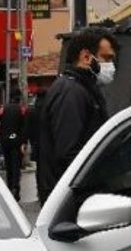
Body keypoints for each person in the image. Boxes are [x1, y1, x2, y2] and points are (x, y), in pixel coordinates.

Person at [37, 27, 116, 195]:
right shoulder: (71, 92)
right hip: (71, 198)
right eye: (107, 58)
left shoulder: (82, 89)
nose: (111, 66)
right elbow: (68, 152)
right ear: (86, 57)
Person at [0, 95, 28, 200]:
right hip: (17, 142)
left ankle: (9, 187)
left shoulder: (3, 109)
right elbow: (24, 127)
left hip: (5, 141)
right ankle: (15, 188)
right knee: (16, 166)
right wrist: (24, 142)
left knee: (8, 165)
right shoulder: (21, 110)